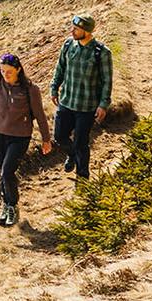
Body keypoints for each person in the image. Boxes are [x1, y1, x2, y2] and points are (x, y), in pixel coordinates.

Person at [0, 53, 52, 226]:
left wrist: (46, 139)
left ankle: (13, 206)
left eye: (9, 72)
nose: (5, 75)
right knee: (2, 172)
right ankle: (6, 205)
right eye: (2, 71)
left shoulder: (30, 89)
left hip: (20, 136)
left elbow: (40, 115)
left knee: (7, 171)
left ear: (19, 70)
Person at [49, 13, 113, 180]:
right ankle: (71, 155)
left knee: (81, 144)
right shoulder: (68, 45)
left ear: (87, 31)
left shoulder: (101, 53)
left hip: (87, 107)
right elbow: (60, 68)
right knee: (59, 137)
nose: (72, 31)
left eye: (76, 29)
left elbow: (107, 81)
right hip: (66, 102)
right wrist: (54, 88)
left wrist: (103, 105)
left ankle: (82, 178)